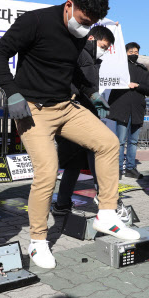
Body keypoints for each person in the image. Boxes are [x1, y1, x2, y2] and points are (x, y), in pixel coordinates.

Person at [0, 0, 140, 269]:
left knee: (108, 143)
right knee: (47, 172)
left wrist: (92, 94)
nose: (86, 28)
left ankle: (106, 214)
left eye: (93, 24)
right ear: (69, 5)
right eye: (85, 21)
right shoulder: (34, 21)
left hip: (66, 106)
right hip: (33, 110)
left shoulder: (78, 34)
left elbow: (71, 68)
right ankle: (37, 242)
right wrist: (13, 92)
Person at [52, 26, 114, 215]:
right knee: (98, 150)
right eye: (103, 46)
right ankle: (105, 200)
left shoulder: (91, 59)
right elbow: (80, 84)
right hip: (74, 112)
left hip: (80, 111)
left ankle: (62, 203)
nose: (104, 50)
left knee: (74, 161)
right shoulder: (81, 54)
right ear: (92, 38)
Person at [108, 42, 149, 179]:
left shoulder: (143, 70)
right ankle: (117, 169)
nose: (134, 54)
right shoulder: (119, 68)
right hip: (122, 108)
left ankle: (130, 168)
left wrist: (138, 85)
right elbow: (111, 81)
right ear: (125, 52)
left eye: (136, 52)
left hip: (137, 109)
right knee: (120, 141)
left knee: (133, 141)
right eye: (131, 52)